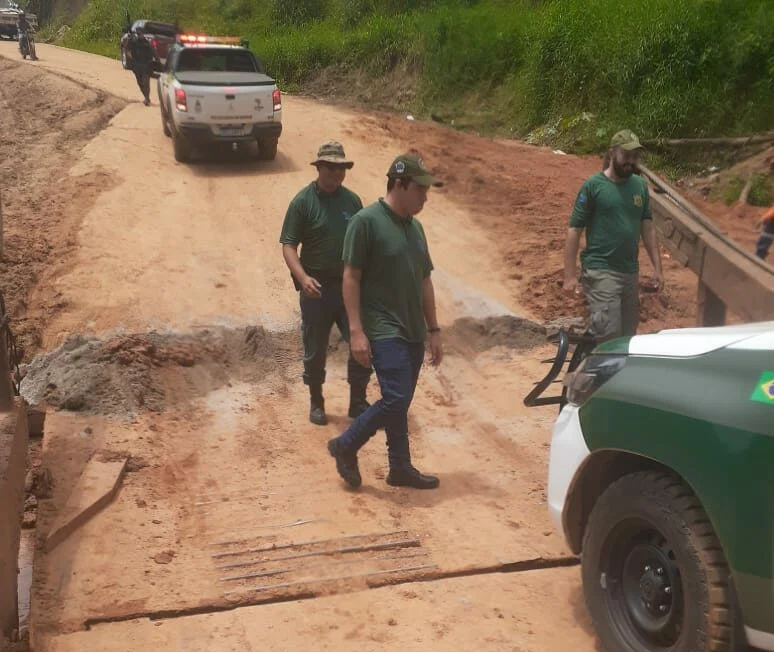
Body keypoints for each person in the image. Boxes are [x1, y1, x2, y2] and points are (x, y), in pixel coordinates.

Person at [326, 152, 444, 491]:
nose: (425, 197)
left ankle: (399, 467)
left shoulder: (416, 228)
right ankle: (346, 445)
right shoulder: (366, 222)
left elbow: (425, 280)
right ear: (399, 184)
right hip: (382, 327)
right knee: (395, 397)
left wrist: (434, 329)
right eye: (420, 190)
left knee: (400, 400)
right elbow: (351, 277)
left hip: (412, 328)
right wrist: (356, 330)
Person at [280, 141, 373, 425]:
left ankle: (357, 402)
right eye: (331, 168)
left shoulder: (352, 202)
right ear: (319, 168)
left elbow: (363, 243)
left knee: (361, 342)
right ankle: (316, 401)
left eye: (341, 168)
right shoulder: (302, 202)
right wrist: (303, 277)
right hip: (316, 290)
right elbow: (288, 245)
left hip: (348, 287)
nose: (337, 174)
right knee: (315, 348)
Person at [563, 129, 663, 342]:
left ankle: (598, 358)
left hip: (629, 271)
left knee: (628, 335)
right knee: (609, 332)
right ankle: (595, 362)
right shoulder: (593, 186)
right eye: (626, 155)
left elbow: (647, 227)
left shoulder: (639, 186)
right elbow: (574, 229)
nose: (630, 161)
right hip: (601, 269)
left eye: (634, 156)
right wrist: (569, 276)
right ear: (611, 153)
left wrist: (657, 268)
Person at [129, 29, 154, 106]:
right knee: (140, 82)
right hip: (137, 66)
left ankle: (147, 98)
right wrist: (132, 60)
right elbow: (128, 51)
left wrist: (157, 62)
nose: (140, 35)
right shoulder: (133, 42)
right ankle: (146, 97)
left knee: (145, 82)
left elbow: (153, 52)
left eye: (140, 34)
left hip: (146, 65)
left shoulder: (147, 43)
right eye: (138, 34)